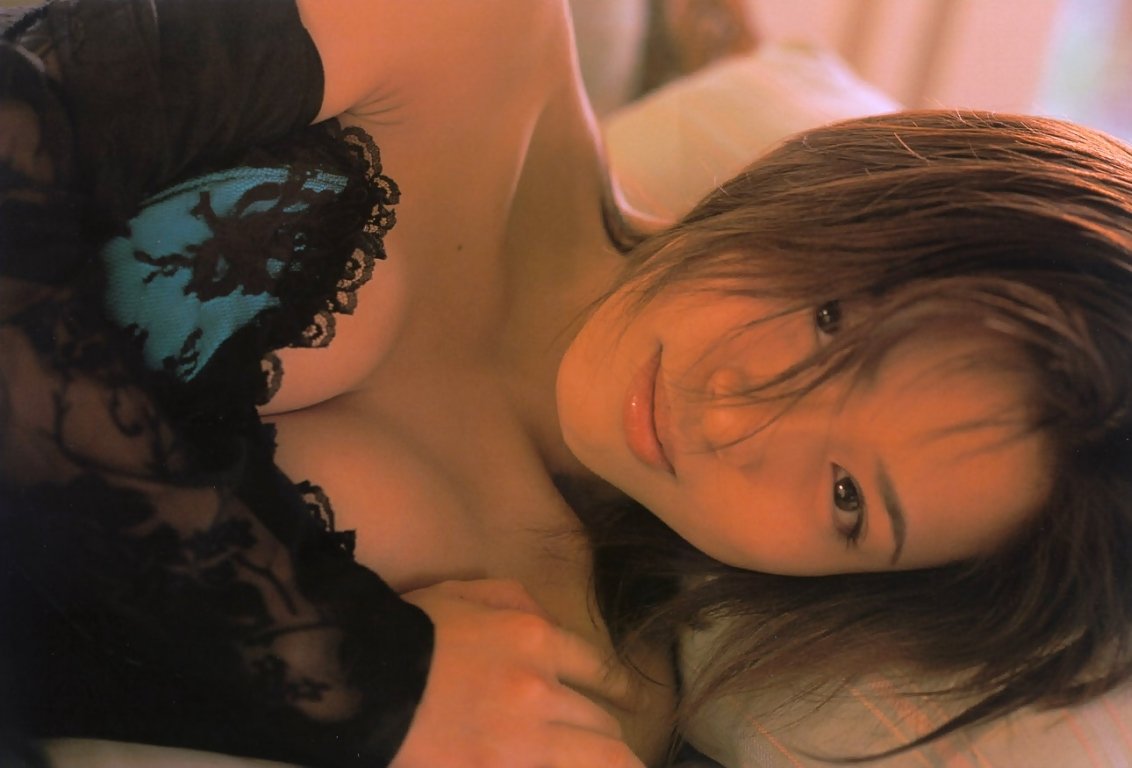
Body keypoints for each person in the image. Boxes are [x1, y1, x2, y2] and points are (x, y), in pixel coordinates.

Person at [1, 2, 1130, 768]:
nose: (732, 412)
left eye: (844, 497)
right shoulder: (468, 30)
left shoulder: (570, 687)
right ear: (850, 194)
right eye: (832, 320)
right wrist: (350, 679)